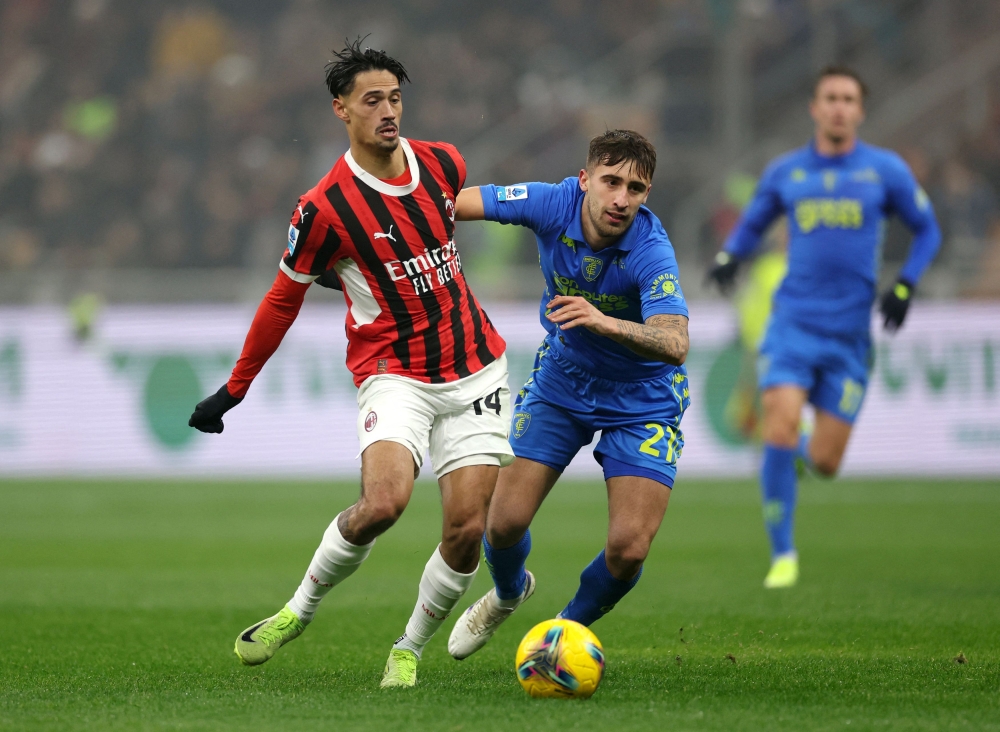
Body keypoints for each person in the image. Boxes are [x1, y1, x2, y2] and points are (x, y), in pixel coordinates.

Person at [188, 40, 513, 688]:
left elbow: (415, 251)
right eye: (372, 100)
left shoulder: (444, 163)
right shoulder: (324, 208)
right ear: (342, 109)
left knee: (466, 529)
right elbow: (284, 298)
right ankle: (297, 610)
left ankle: (409, 648)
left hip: (477, 369)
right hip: (395, 373)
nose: (388, 111)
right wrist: (234, 388)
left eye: (395, 98)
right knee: (385, 503)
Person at [445, 130, 691, 661]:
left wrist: (603, 322)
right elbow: (455, 203)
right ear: (585, 181)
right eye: (611, 181)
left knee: (628, 550)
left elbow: (675, 342)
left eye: (636, 187)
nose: (622, 198)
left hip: (644, 396)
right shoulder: (551, 203)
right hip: (564, 379)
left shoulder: (651, 248)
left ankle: (559, 633)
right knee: (502, 523)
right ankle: (509, 593)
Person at [706, 65, 941, 588]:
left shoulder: (885, 170)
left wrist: (905, 284)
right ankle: (783, 555)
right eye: (829, 97)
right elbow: (754, 222)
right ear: (815, 108)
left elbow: (927, 230)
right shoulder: (787, 172)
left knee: (828, 462)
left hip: (850, 337)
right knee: (779, 423)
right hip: (791, 327)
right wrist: (729, 257)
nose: (838, 106)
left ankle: (796, 458)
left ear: (859, 110)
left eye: (848, 98)